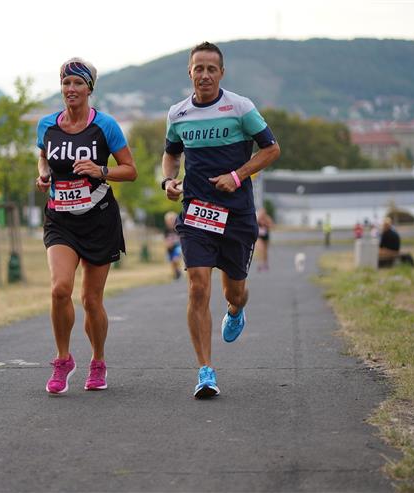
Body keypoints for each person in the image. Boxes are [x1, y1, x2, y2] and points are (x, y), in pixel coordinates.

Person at [161, 42, 280, 398]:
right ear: (190, 72)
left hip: (236, 214)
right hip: (197, 211)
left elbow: (271, 149)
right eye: (198, 68)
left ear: (221, 73)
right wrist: (168, 181)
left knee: (234, 291)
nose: (205, 75)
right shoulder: (178, 114)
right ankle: (205, 371)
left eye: (211, 69)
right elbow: (171, 154)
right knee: (198, 286)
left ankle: (236, 310)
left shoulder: (240, 108)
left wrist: (238, 176)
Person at [35, 57, 137, 395]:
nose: (71, 89)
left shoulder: (106, 126)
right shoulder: (47, 125)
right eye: (66, 83)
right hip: (60, 218)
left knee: (91, 300)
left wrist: (100, 170)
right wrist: (44, 174)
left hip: (98, 220)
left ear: (89, 88)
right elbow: (43, 156)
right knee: (59, 289)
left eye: (78, 83)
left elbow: (130, 170)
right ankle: (63, 360)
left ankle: (98, 361)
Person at [164, 211, 183, 280]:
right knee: (172, 262)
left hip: (177, 247)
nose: (170, 223)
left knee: (176, 259)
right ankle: (176, 274)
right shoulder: (166, 231)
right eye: (169, 221)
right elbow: (165, 240)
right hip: (170, 249)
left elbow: (181, 238)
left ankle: (179, 271)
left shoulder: (177, 229)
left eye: (172, 220)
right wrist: (167, 244)